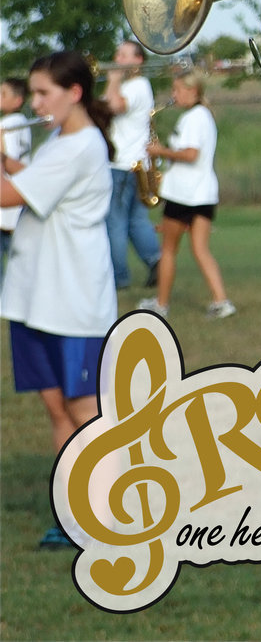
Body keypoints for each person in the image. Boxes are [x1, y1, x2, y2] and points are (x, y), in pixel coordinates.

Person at [0, 51, 117, 549]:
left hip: (71, 301)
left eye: (45, 93)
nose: (36, 102)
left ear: (74, 94)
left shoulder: (82, 145)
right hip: (33, 298)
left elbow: (9, 197)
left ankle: (108, 515)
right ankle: (74, 515)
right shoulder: (58, 139)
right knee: (58, 412)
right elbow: (23, 178)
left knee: (85, 409)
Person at [138, 71, 235, 319]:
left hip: (184, 193)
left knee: (168, 250)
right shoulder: (203, 116)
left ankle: (160, 305)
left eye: (177, 90)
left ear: (192, 92)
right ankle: (221, 301)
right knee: (201, 250)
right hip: (203, 193)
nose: (173, 95)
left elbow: (191, 154)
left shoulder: (193, 118)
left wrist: (160, 151)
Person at [103, 40, 162, 290]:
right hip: (133, 163)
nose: (118, 58)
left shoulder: (136, 85)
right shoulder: (134, 85)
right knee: (136, 221)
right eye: (117, 53)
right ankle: (156, 262)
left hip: (122, 164)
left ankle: (119, 277)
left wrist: (113, 79)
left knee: (114, 222)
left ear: (138, 60)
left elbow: (112, 106)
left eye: (124, 55)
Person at [1, 76, 34, 280]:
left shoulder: (8, 123)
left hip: (7, 194)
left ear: (17, 101)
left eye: (3, 94)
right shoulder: (22, 122)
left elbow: (7, 157)